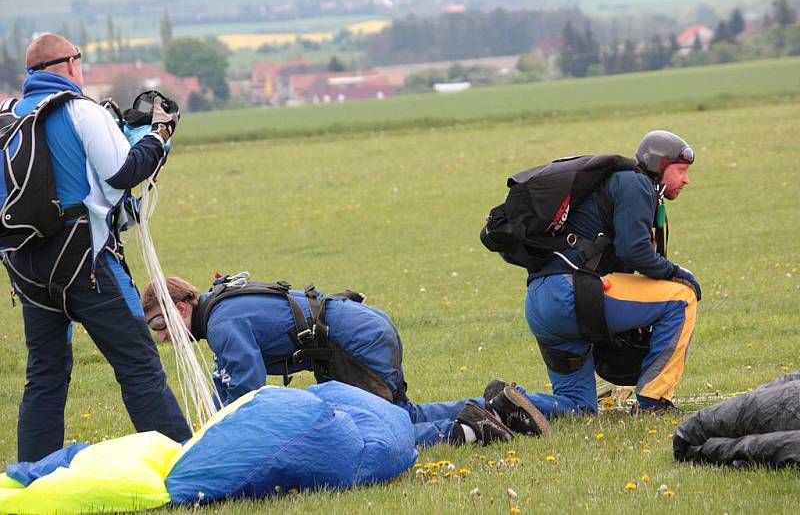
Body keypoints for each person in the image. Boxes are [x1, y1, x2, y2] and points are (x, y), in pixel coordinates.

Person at [2, 33, 190, 462]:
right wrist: (157, 137)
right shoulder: (81, 111)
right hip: (84, 263)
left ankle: (34, 477)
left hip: (26, 266)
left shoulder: (9, 118)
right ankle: (182, 466)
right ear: (71, 65)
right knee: (138, 364)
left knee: (44, 375)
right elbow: (123, 171)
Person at [141, 274, 552, 447]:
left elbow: (248, 395)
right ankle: (497, 407)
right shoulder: (221, 311)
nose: (161, 337)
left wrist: (222, 436)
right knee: (398, 413)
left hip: (356, 340)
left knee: (374, 429)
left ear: (181, 307)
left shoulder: (222, 323)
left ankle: (469, 431)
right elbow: (225, 383)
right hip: (361, 330)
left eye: (159, 323)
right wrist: (206, 429)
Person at [523, 130, 701, 416]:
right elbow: (636, 252)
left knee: (576, 408)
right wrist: (678, 273)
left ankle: (501, 403)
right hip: (572, 296)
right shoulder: (635, 184)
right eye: (680, 171)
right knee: (682, 296)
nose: (686, 180)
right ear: (660, 166)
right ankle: (654, 401)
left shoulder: (612, 185)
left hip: (540, 304)